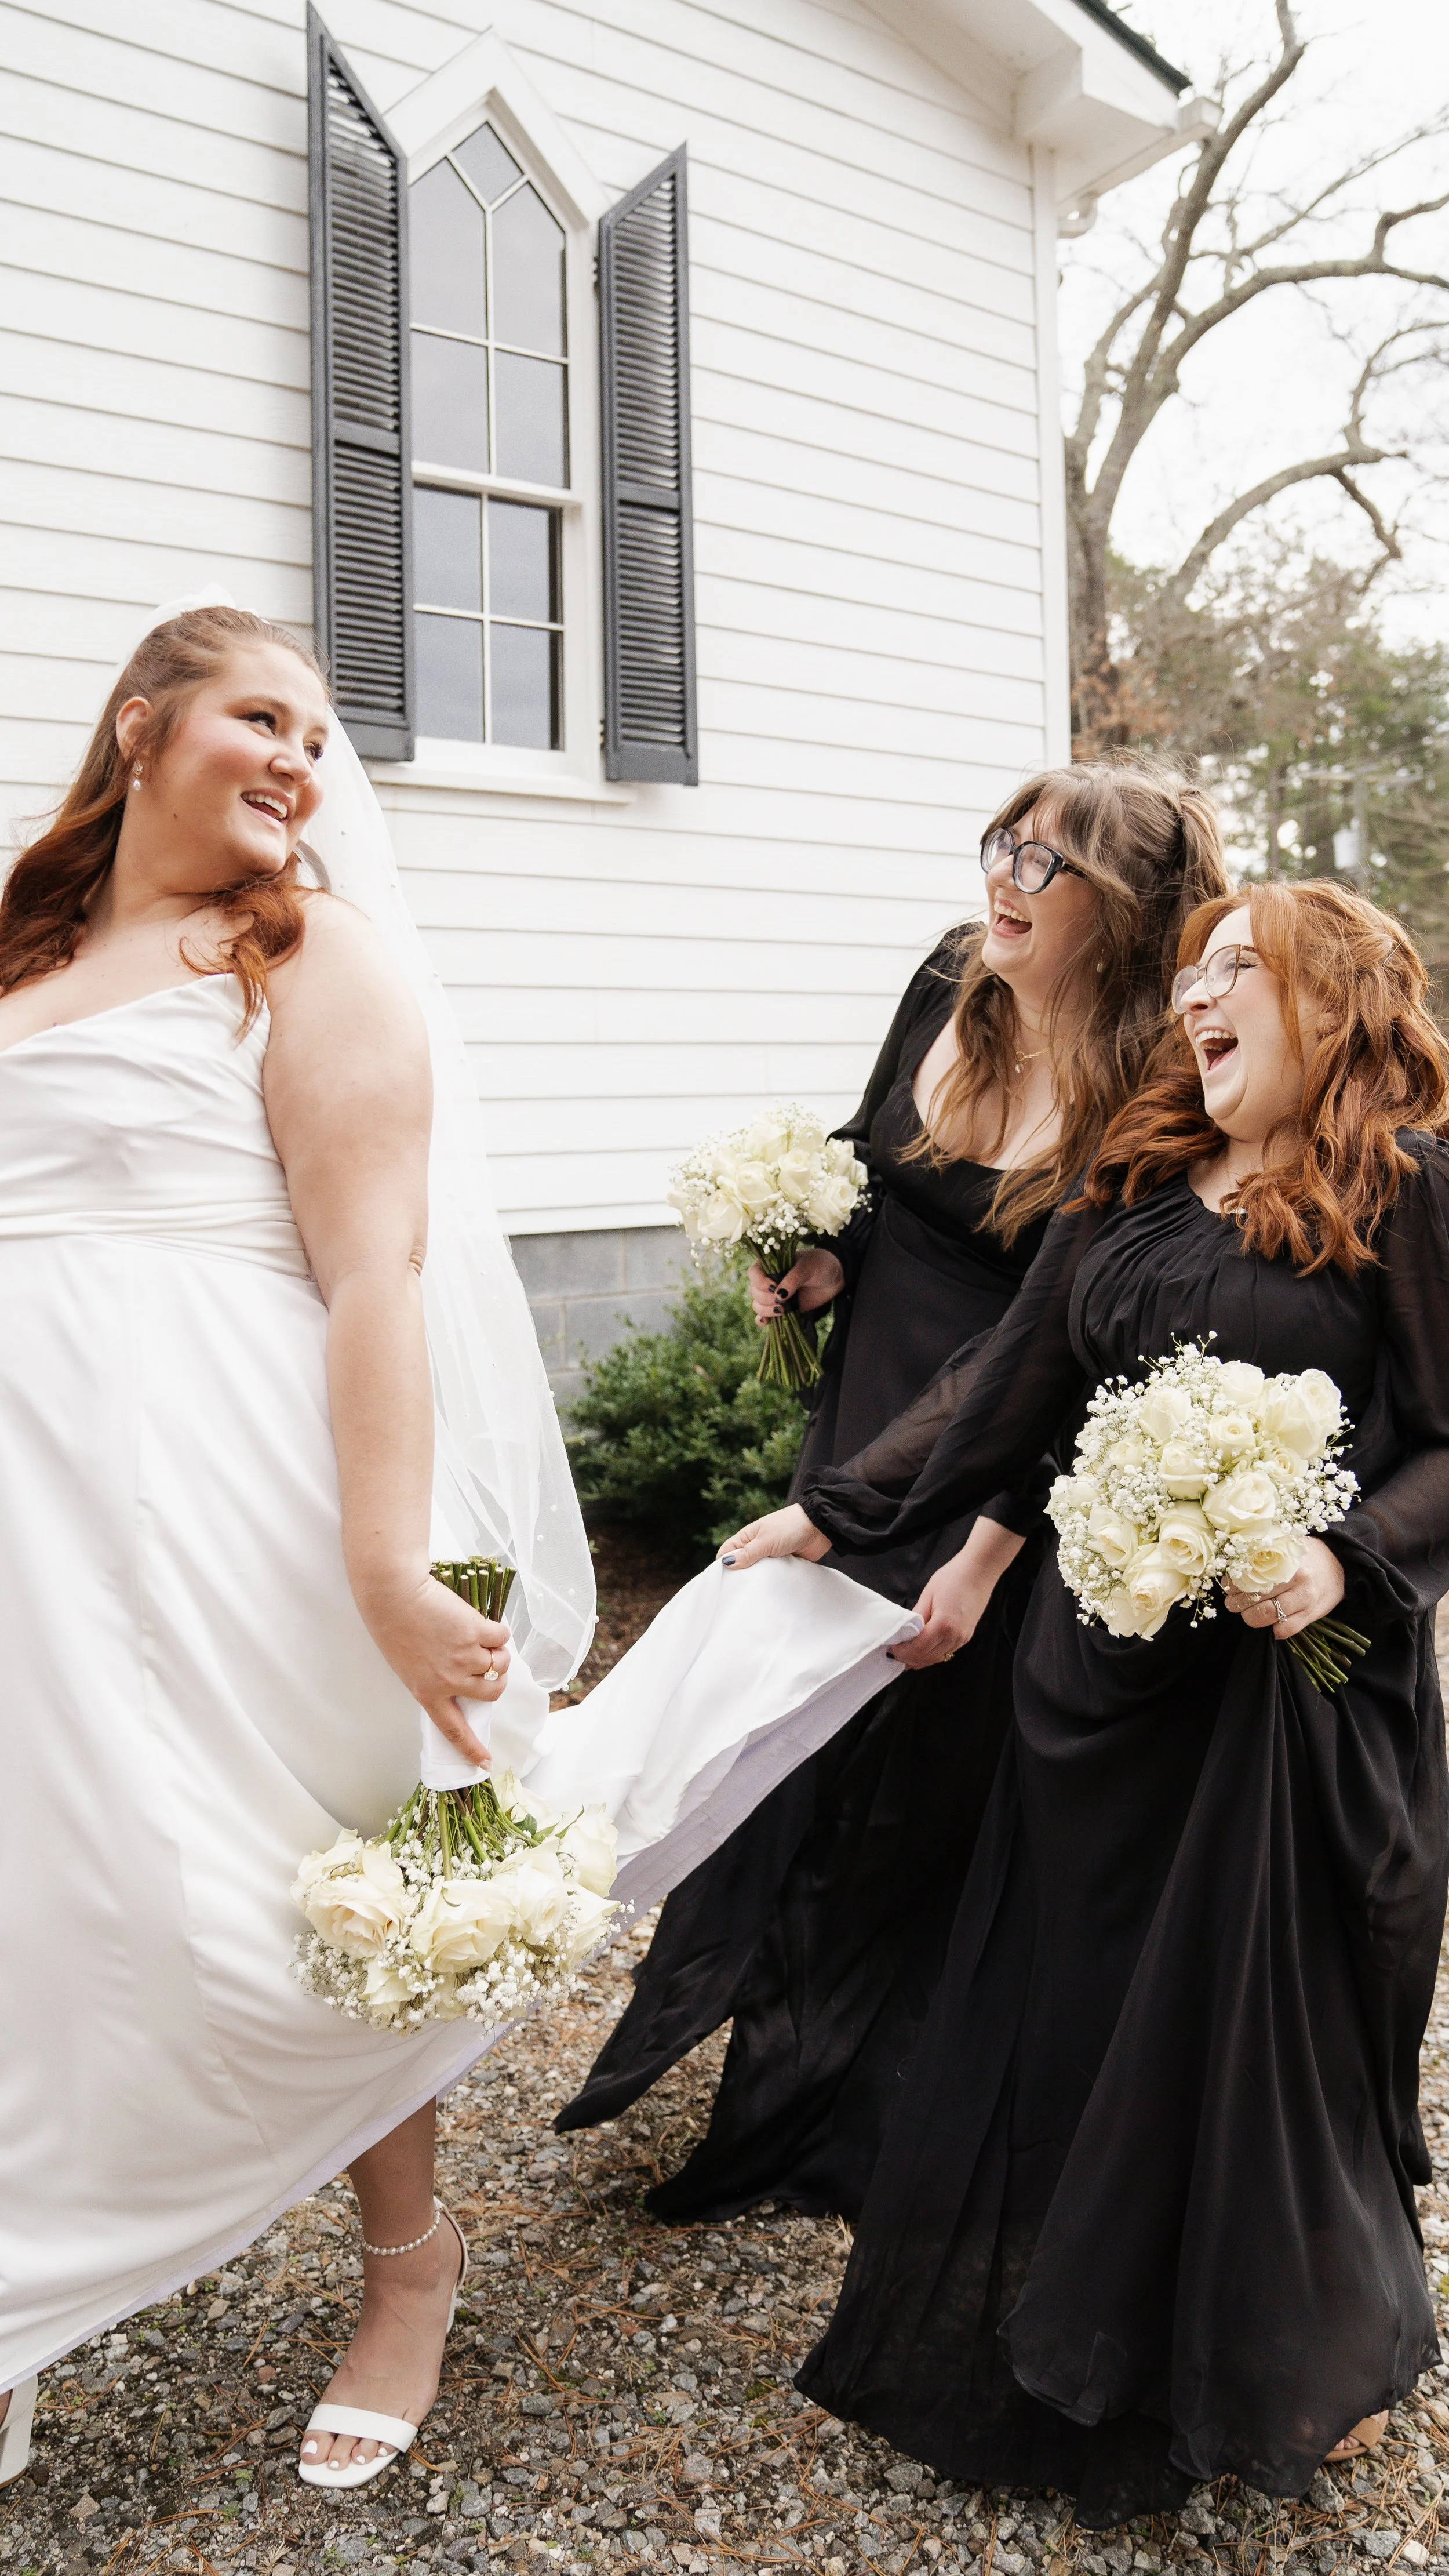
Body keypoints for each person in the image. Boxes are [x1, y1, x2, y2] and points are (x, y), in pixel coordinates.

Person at [0, 604, 911, 2502]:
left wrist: (386, 1562)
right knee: (42, 1892)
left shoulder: (310, 957)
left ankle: (406, 2260)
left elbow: (374, 1291)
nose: (295, 757)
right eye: (259, 712)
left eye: (317, 736)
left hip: (242, 1510)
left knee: (316, 1889)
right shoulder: (21, 952)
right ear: (141, 723)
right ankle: (27, 2292)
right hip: (32, 1510)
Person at [718, 880, 1449, 2519]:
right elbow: (1007, 1385)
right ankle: (1093, 2331)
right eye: (1193, 976)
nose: (1200, 999)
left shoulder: (1396, 1192)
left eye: (1239, 972)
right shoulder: (1124, 1183)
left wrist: (1340, 1559)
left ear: (1332, 1001)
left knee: (1263, 2029)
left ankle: (1290, 2351)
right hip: (1096, 1679)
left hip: (1284, 1704)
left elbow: (1447, 1444)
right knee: (1096, 2010)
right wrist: (841, 1505)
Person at [558, 762, 1230, 2226]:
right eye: (1003, 842)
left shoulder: (1153, 1084)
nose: (1002, 878)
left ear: (1121, 917)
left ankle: (885, 2122)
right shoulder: (949, 978)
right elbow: (877, 1153)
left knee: (929, 1780)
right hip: (866, 1404)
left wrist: (985, 1557)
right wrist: (822, 1256)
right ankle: (773, 2078)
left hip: (994, 1448)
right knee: (796, 1755)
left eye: (1045, 867)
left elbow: (1065, 1336)